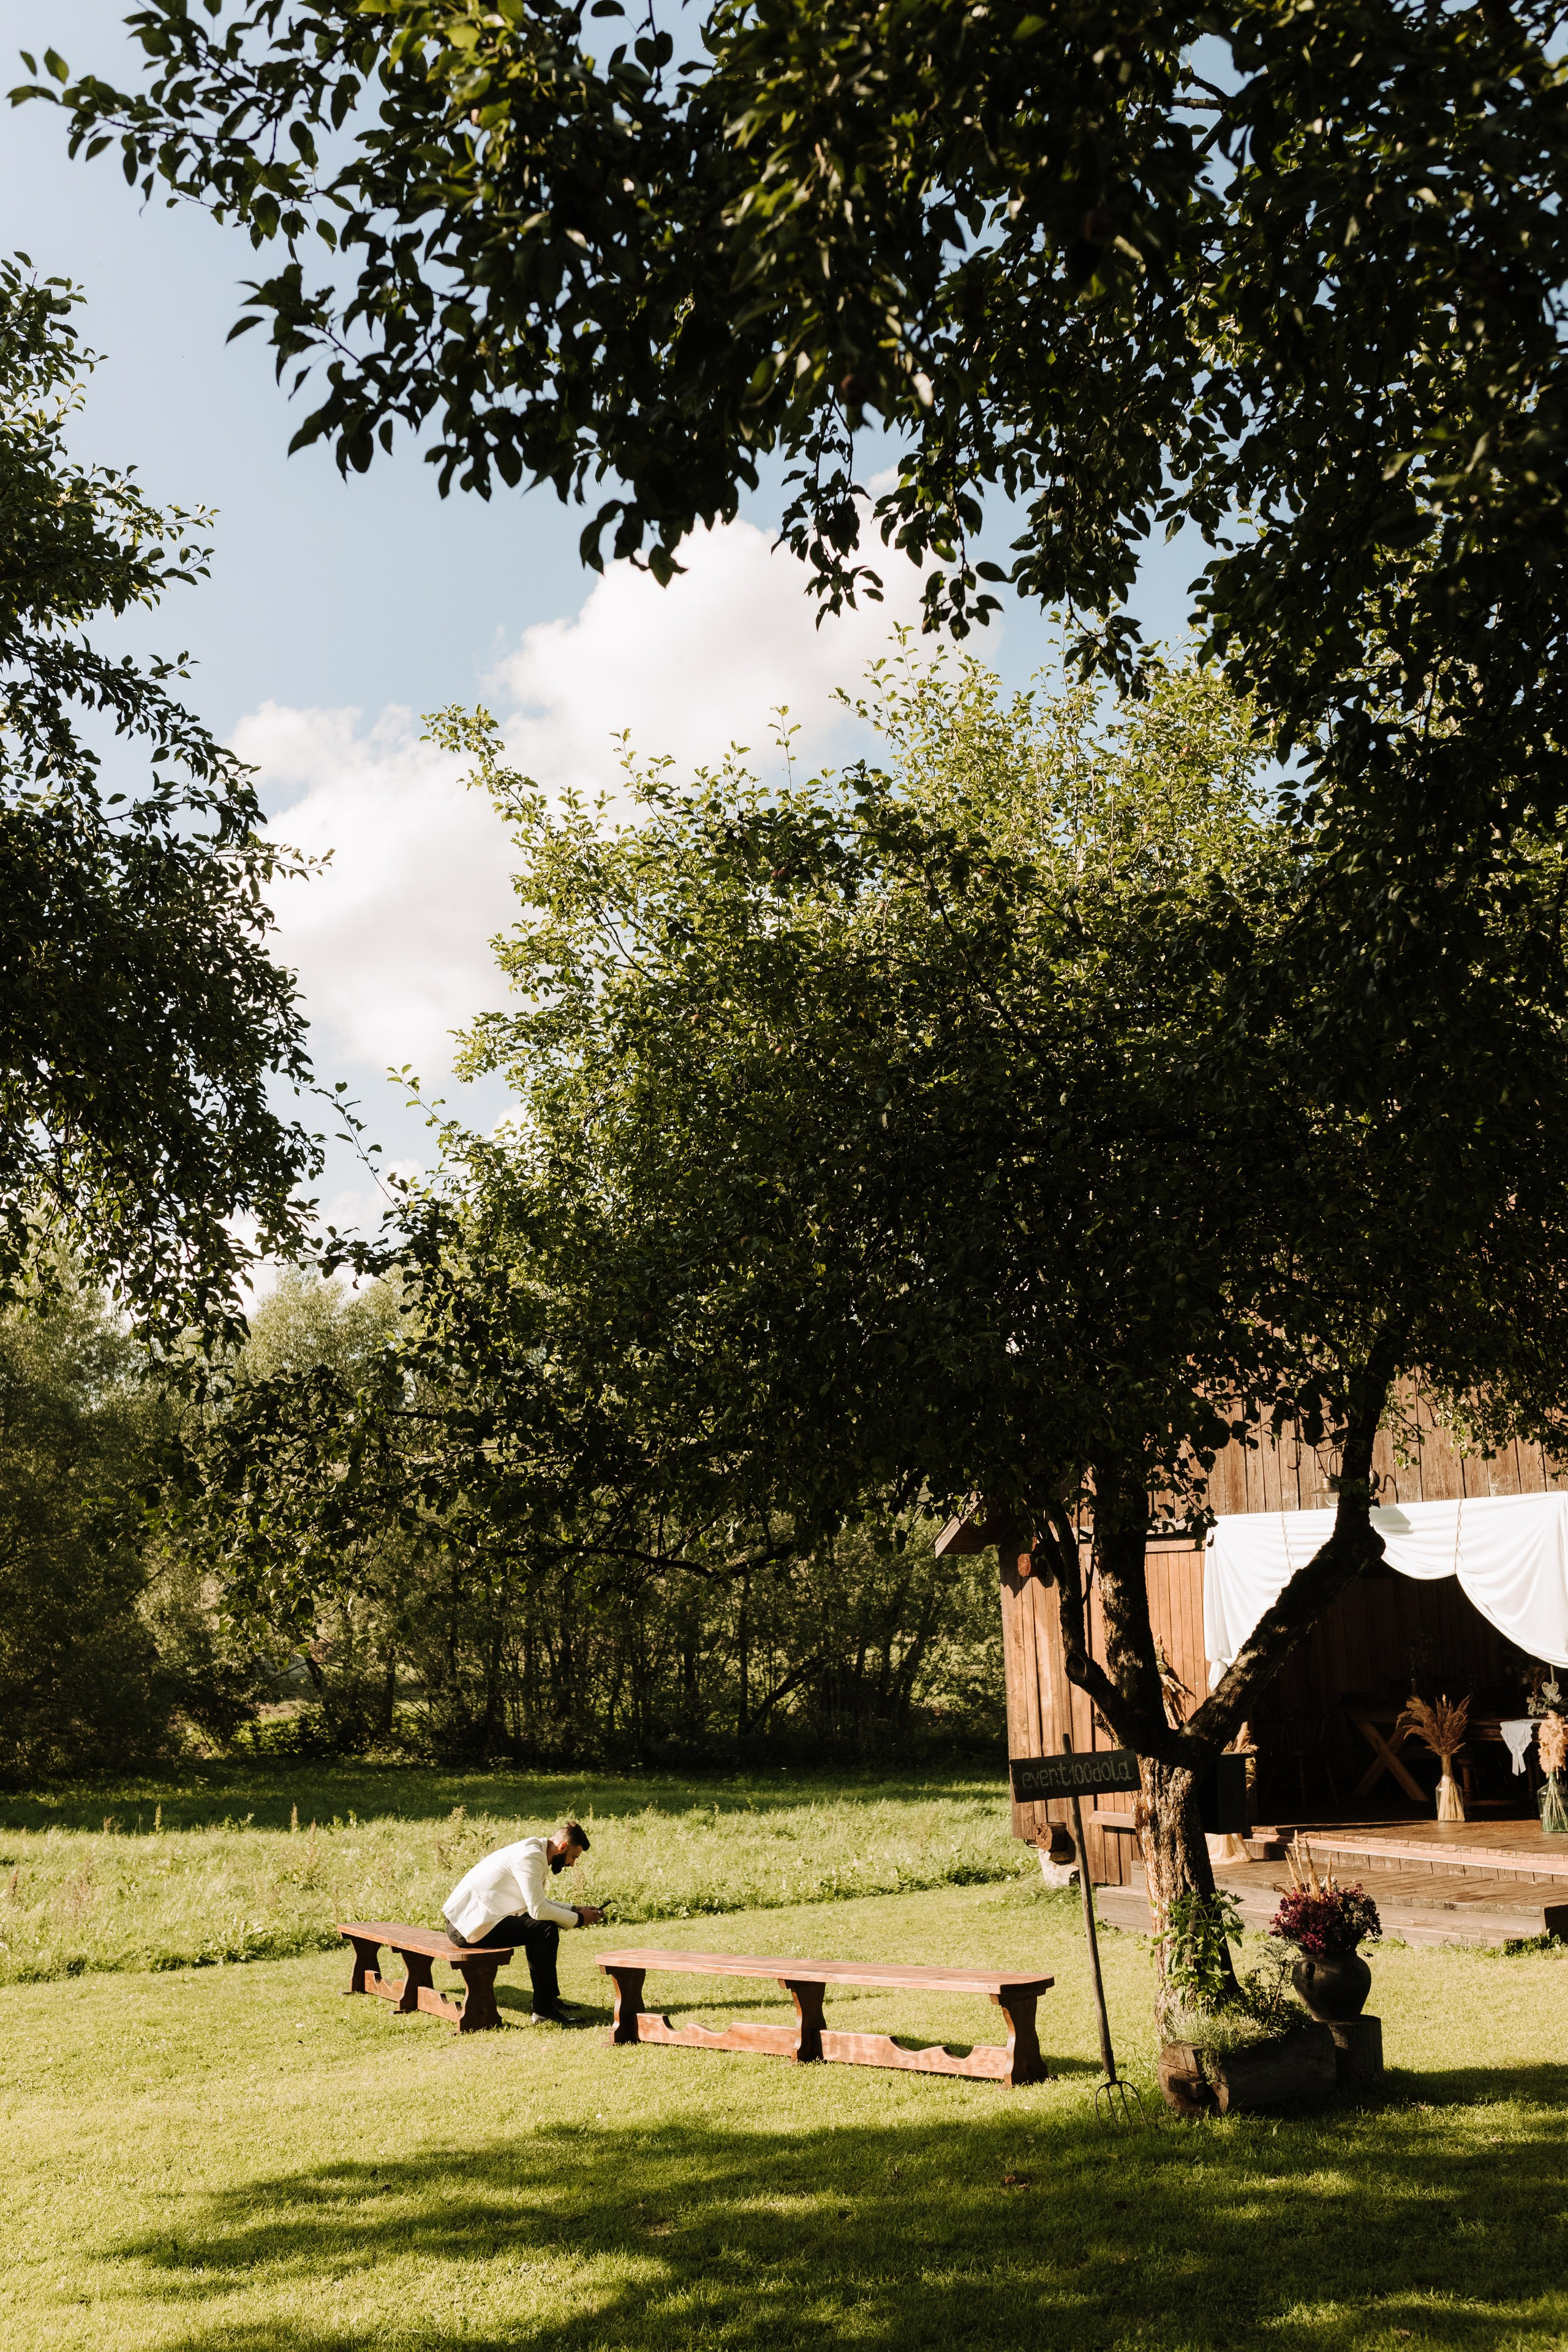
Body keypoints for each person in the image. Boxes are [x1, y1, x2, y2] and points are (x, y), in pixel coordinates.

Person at [443, 1820, 605, 2026]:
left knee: (542, 1928)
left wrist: (575, 1909)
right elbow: (538, 1910)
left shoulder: (534, 1850)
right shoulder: (530, 1858)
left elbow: (536, 1902)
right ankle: (544, 2010)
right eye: (574, 1857)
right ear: (563, 1847)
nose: (572, 1864)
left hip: (472, 1921)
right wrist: (580, 1919)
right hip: (465, 1928)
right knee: (545, 1930)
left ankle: (547, 2000)